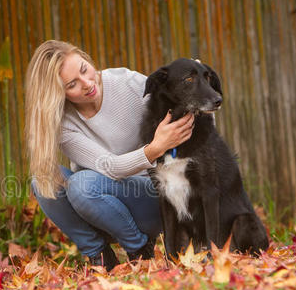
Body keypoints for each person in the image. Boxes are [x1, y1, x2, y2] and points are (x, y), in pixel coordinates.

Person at [24, 40, 194, 271]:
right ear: (58, 94)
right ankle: (100, 257)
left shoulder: (126, 82)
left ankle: (140, 250)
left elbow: (187, 104)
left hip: (157, 198)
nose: (87, 83)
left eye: (85, 69)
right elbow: (109, 166)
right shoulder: (63, 124)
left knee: (83, 185)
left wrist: (195, 82)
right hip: (100, 205)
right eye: (72, 84)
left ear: (87, 60)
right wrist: (156, 147)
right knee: (45, 179)